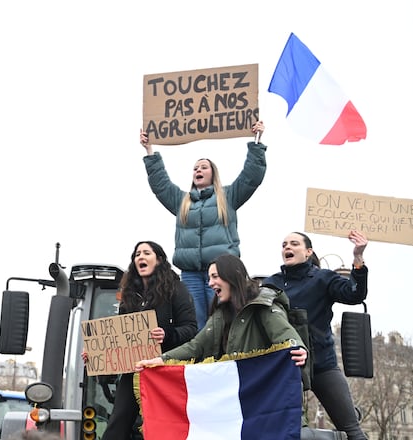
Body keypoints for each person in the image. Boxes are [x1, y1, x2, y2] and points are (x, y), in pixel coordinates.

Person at [139, 121, 267, 330]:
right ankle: (200, 361)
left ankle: (226, 360)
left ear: (213, 173)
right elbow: (161, 185)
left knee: (224, 318)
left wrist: (257, 142)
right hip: (190, 274)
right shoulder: (182, 202)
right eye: (195, 168)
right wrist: (149, 151)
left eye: (203, 167)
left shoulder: (227, 197)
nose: (198, 170)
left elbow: (251, 178)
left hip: (221, 271)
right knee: (195, 322)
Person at [262, 231, 368, 440]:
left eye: (294, 244)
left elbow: (355, 294)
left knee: (352, 431)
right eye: (284, 245)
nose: (287, 248)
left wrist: (358, 257)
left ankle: (347, 414)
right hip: (286, 368)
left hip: (321, 364)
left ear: (308, 251)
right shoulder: (270, 284)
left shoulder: (323, 278)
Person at [88, 241, 197, 440]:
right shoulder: (129, 297)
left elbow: (191, 329)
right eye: (137, 254)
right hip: (135, 371)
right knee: (117, 425)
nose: (140, 257)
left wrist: (167, 334)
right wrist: (96, 355)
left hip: (165, 372)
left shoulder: (176, 289)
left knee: (162, 427)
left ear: (160, 260)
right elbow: (116, 339)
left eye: (147, 253)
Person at [135, 253, 307, 368]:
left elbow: (286, 335)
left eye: (215, 277)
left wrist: (299, 349)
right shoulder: (219, 315)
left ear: (233, 275)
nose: (210, 283)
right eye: (209, 278)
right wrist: (159, 360)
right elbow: (196, 347)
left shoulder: (263, 305)